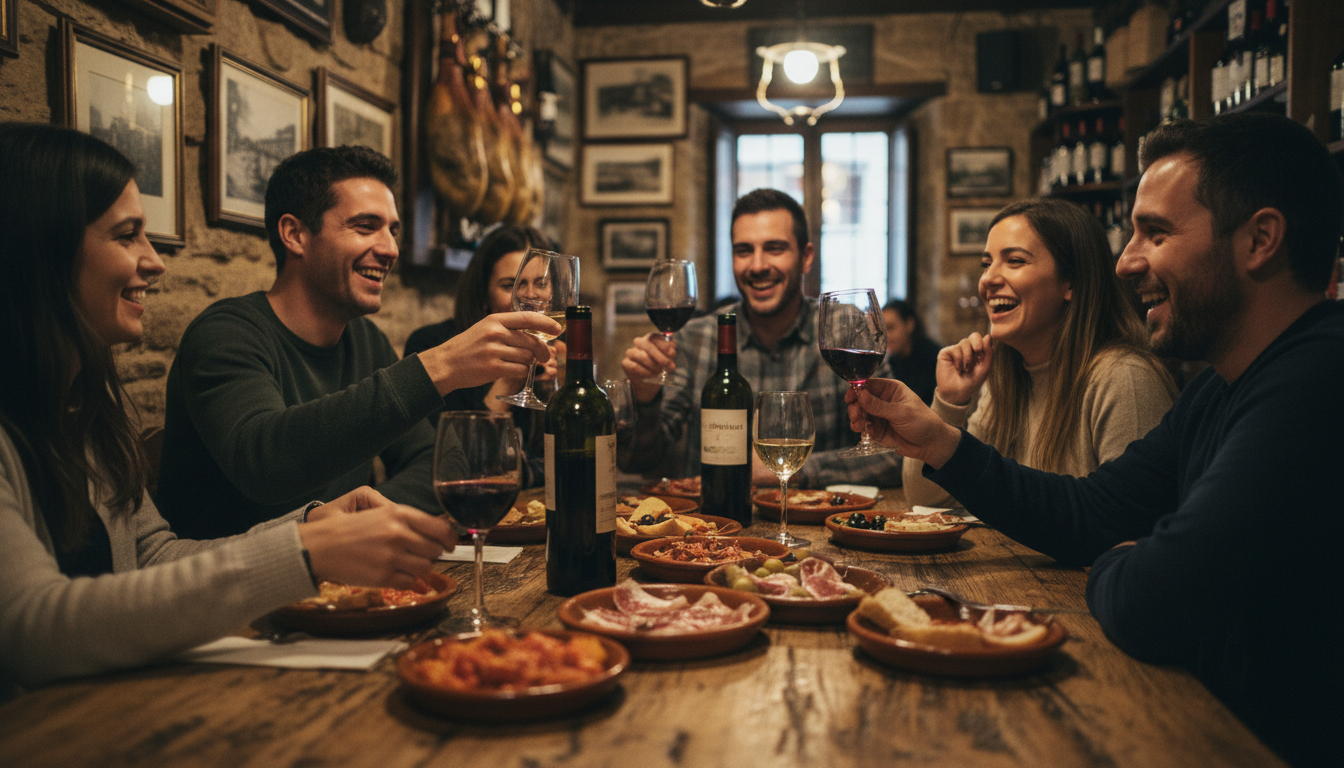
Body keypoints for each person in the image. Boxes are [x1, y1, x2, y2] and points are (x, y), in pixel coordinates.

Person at [848, 113, 1343, 767]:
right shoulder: (1218, 388)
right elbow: (1089, 512)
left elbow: (1155, 601)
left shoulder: (1319, 379)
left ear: (1260, 240)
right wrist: (942, 442)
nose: (1127, 260)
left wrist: (1116, 560)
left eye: (1155, 233)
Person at [0, 124, 457, 699]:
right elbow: (27, 630)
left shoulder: (89, 407)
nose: (155, 261)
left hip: (138, 686)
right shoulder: (227, 334)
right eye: (127, 235)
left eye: (393, 228)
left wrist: (313, 526)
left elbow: (153, 556)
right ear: (43, 249)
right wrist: (305, 551)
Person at [156, 146, 557, 538]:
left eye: (393, 231)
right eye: (366, 227)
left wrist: (358, 520)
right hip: (235, 596)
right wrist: (440, 366)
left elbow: (436, 463)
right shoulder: (226, 334)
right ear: (295, 234)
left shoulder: (365, 340)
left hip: (342, 584)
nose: (390, 249)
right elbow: (265, 464)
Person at [902, 198, 1176, 507]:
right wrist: (949, 401)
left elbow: (1133, 528)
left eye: (1015, 261)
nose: (988, 279)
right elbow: (925, 500)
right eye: (987, 263)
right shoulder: (1004, 381)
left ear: (1070, 282)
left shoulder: (1125, 380)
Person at [621, 188, 902, 488]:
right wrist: (644, 399)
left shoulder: (845, 330)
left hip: (818, 526)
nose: (757, 266)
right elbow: (638, 460)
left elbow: (895, 455)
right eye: (744, 251)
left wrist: (797, 471)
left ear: (806, 258)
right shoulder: (696, 338)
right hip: (716, 528)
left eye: (774, 248)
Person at [403, 225, 562, 487]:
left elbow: (574, 464)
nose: (530, 297)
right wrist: (508, 383)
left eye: (541, 284)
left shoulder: (556, 351)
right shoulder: (436, 346)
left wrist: (559, 394)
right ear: (484, 294)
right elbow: (453, 472)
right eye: (511, 284)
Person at [881, 298, 940, 405]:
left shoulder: (932, 359)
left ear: (909, 324)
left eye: (891, 328)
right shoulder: (890, 361)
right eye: (883, 330)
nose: (886, 336)